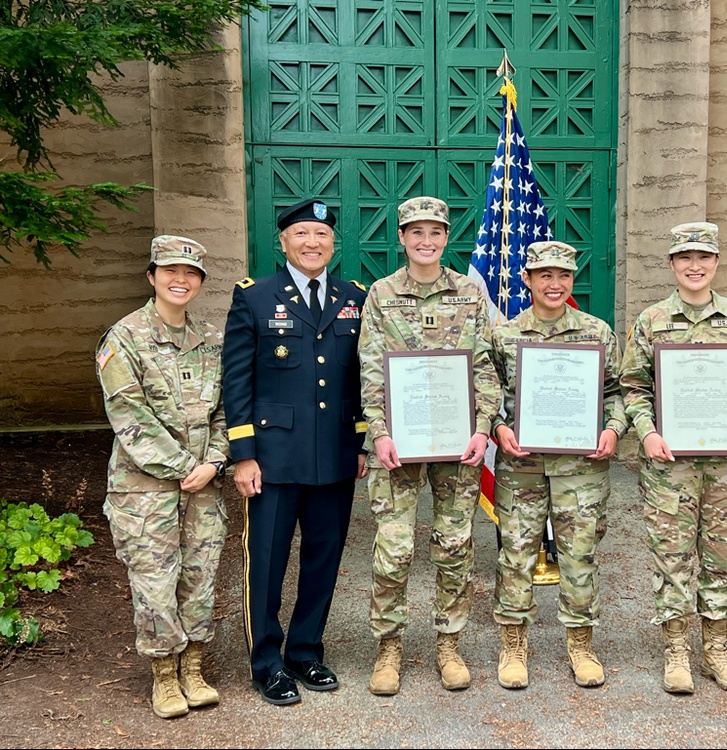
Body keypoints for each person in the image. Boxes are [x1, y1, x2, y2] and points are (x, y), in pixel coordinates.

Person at [222, 198, 368, 706]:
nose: (312, 243)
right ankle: (266, 662)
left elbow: (359, 378)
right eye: (302, 234)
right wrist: (243, 453)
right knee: (265, 561)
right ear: (283, 241)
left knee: (323, 558)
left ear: (334, 244)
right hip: (273, 456)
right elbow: (236, 380)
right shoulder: (255, 297)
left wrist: (361, 440)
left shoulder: (354, 297)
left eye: (322, 235)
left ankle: (305, 650)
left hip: (333, 454)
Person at [620, 222, 727, 695]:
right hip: (671, 467)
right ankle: (677, 652)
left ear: (716, 262)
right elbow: (633, 387)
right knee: (672, 557)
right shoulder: (651, 321)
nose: (694, 266)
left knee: (724, 557)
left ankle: (717, 651)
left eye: (703, 257)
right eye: (685, 258)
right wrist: (645, 433)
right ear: (671, 264)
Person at [358, 196, 500, 696]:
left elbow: (484, 365)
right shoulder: (380, 293)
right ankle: (389, 647)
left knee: (455, 545)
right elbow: (371, 367)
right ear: (401, 237)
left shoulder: (468, 292)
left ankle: (448, 643)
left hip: (456, 440)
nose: (425, 241)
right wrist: (378, 431)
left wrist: (482, 427)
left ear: (446, 237)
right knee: (393, 548)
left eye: (435, 232)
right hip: (398, 440)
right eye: (415, 232)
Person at [96, 236, 228, 719]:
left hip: (203, 487)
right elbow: (129, 415)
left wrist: (214, 462)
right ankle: (164, 676)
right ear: (151, 276)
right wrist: (186, 467)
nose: (181, 280)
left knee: (200, 576)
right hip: (144, 490)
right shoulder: (124, 338)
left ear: (199, 282)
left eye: (191, 273)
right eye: (170, 270)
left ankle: (193, 668)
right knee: (154, 582)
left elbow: (225, 412)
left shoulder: (212, 340)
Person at [488, 240, 628, 690]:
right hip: (521, 466)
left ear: (572, 280)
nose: (554, 283)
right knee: (516, 554)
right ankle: (514, 645)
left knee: (579, 554)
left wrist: (613, 429)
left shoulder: (597, 332)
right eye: (544, 275)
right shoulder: (505, 335)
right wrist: (497, 428)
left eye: (563, 275)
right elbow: (486, 395)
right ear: (526, 279)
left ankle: (581, 644)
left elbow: (616, 394)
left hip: (580, 468)